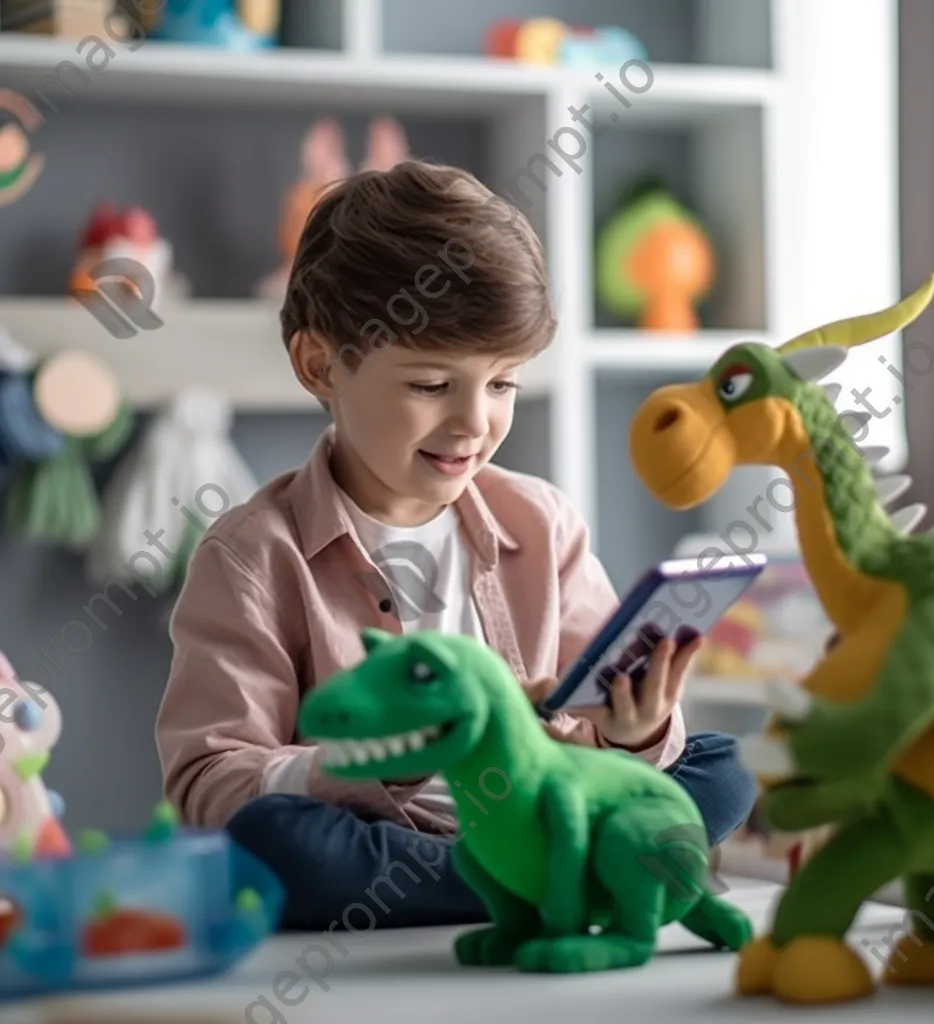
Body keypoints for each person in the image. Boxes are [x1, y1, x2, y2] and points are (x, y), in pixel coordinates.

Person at [154, 161, 757, 932]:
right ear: (320, 365)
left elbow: (596, 747)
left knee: (722, 770)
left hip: (545, 814)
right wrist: (346, 767)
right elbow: (206, 782)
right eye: (432, 385)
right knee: (271, 842)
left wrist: (634, 731)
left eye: (502, 384)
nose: (474, 422)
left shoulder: (542, 524)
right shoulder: (251, 555)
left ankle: (542, 871)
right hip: (388, 845)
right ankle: (547, 885)